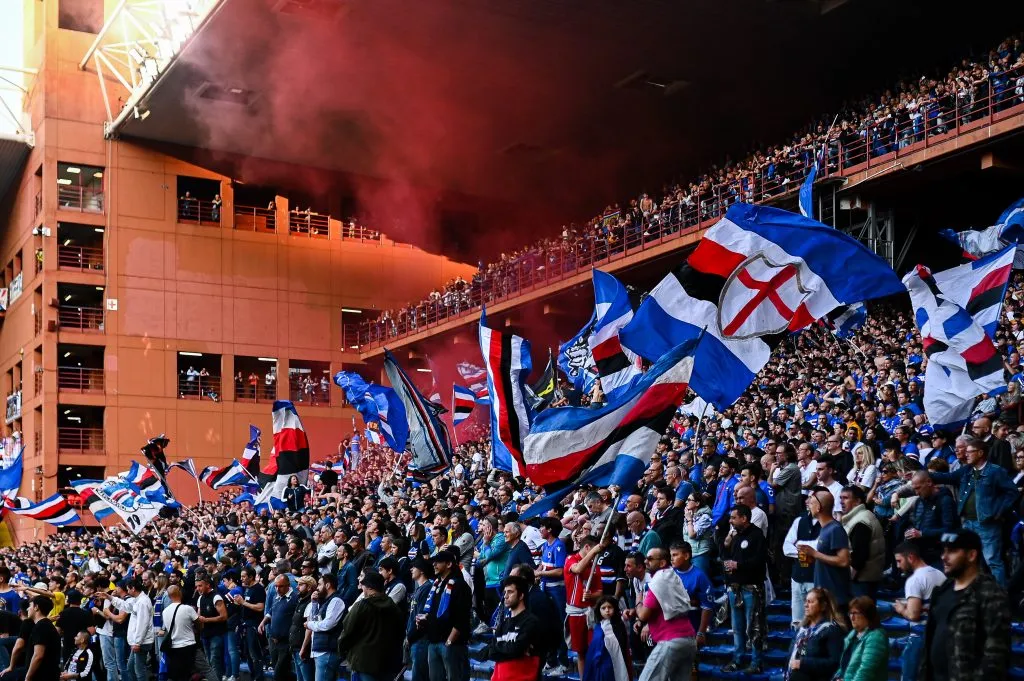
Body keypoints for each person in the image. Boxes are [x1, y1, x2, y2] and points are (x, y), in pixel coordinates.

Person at [921, 530, 1011, 681]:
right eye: (944, 551)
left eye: (952, 551)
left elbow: (996, 656)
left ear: (971, 555)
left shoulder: (991, 594)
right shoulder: (942, 590)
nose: (944, 557)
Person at [929, 436, 1019, 585]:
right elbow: (949, 477)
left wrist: (998, 511)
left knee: (992, 561)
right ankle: (980, 591)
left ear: (980, 453)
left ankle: (1001, 594)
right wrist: (926, 475)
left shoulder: (995, 471)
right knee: (973, 560)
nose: (966, 454)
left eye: (970, 452)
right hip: (967, 522)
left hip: (987, 524)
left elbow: (1012, 493)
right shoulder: (967, 470)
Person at [636, 547, 697, 681]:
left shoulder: (658, 581)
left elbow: (643, 615)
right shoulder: (672, 575)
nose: (646, 561)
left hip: (671, 641)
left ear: (662, 563)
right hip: (689, 639)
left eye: (650, 559)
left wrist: (638, 602)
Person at [721, 505, 767, 674]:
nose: (730, 521)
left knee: (754, 627)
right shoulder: (735, 536)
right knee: (737, 628)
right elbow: (727, 557)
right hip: (735, 588)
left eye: (733, 518)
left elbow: (760, 561)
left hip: (751, 588)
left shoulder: (757, 535)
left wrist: (738, 565)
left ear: (744, 518)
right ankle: (738, 659)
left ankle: (756, 662)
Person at [892, 541, 945, 681]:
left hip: (920, 637)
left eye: (899, 561)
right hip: (938, 635)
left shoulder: (914, 580)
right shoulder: (940, 574)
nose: (898, 566)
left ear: (910, 557)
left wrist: (901, 609)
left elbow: (913, 615)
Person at [337, 571, 404, 681]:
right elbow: (400, 633)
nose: (362, 589)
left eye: (363, 585)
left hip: (363, 664)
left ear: (369, 587)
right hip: (387, 664)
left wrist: (342, 650)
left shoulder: (361, 606)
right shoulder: (394, 608)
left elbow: (347, 630)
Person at [422, 550, 471, 681]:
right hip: (434, 641)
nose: (434, 564)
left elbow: (462, 617)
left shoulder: (460, 585)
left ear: (449, 564)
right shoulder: (436, 584)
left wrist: (449, 642)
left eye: (438, 562)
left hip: (452, 644)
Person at [799, 488, 851, 613]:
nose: (808, 504)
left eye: (811, 502)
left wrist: (815, 553)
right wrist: (813, 557)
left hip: (835, 598)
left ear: (819, 508)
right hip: (825, 597)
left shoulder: (835, 529)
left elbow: (844, 561)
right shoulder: (825, 528)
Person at [487, 576, 543, 681]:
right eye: (505, 592)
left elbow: (516, 649)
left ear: (521, 595)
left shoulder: (531, 622)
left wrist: (500, 646)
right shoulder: (502, 625)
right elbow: (491, 653)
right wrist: (512, 649)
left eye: (510, 592)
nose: (505, 596)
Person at [784, 588, 845, 681]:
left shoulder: (831, 630)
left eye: (811, 602)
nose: (806, 605)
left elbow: (834, 663)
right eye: (806, 601)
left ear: (823, 606)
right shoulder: (802, 629)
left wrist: (803, 663)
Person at [838, 486, 885, 598]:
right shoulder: (862, 516)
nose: (841, 502)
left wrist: (847, 580)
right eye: (841, 498)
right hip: (865, 579)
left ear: (857, 501)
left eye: (845, 498)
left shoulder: (861, 521)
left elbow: (859, 557)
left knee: (860, 609)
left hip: (861, 581)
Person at [104, 580, 153, 681]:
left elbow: (142, 624)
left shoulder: (143, 602)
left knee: (139, 671)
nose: (127, 591)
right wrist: (110, 597)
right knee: (130, 668)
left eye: (128, 589)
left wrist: (137, 643)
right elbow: (125, 605)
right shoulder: (137, 600)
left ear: (133, 589)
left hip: (142, 642)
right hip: (138, 642)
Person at [836, 597, 888, 681]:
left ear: (867, 614)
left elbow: (865, 671)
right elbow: (843, 667)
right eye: (850, 613)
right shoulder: (852, 635)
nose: (852, 617)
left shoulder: (876, 637)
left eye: (855, 613)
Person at [305, 573, 345, 681]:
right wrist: (314, 603)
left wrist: (309, 625)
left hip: (327, 651)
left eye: (319, 584)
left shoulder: (336, 600)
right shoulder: (325, 601)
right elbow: (316, 620)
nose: (317, 588)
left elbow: (327, 624)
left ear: (327, 585)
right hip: (321, 650)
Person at [583, 596, 630, 681]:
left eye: (610, 607)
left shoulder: (619, 625)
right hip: (604, 661)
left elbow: (624, 643)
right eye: (603, 608)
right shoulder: (598, 627)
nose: (607, 610)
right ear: (599, 610)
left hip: (619, 658)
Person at [194, 574, 228, 681]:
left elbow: (224, 616)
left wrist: (206, 620)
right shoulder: (200, 598)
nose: (198, 588)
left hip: (216, 634)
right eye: (197, 586)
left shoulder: (216, 597)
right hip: (205, 634)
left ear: (208, 585)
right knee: (208, 660)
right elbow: (199, 615)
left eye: (200, 586)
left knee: (214, 660)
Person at [406, 559, 434, 681]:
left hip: (421, 640)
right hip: (415, 639)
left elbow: (421, 616)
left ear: (422, 570)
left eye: (414, 567)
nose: (411, 569)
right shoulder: (419, 588)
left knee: (420, 676)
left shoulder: (427, 588)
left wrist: (410, 636)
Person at [266, 575, 298, 681]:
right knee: (282, 671)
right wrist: (263, 622)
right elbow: (271, 611)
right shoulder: (276, 596)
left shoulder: (295, 598)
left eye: (280, 586)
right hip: (273, 640)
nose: (277, 589)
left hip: (286, 642)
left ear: (288, 585)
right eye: (276, 586)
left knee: (278, 673)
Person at [24, 596, 60, 681]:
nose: (27, 609)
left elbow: (38, 655)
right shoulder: (45, 625)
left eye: (30, 606)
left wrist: (27, 678)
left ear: (36, 607)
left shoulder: (41, 626)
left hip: (42, 676)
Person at [289, 576, 315, 681]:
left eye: (300, 585)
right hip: (296, 646)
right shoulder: (301, 601)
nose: (297, 587)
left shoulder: (311, 603)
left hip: (303, 649)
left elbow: (309, 628)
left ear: (309, 587)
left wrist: (303, 648)